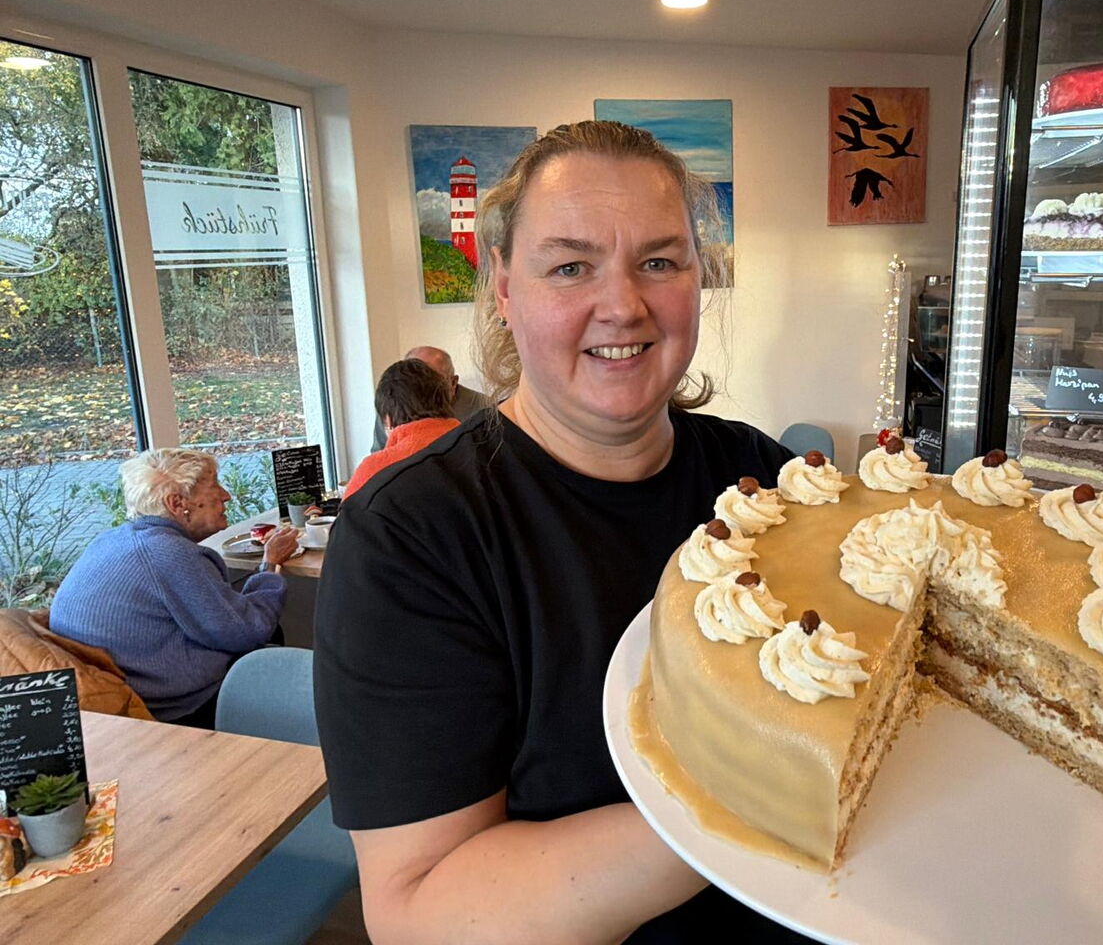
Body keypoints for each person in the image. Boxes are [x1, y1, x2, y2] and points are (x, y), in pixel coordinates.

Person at [314, 121, 808, 942]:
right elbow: (419, 913)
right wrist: (759, 800)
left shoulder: (758, 476)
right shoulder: (412, 535)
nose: (623, 304)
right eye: (571, 266)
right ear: (504, 290)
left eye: (659, 261)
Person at [51, 448, 300, 728]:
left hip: (120, 694)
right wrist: (270, 565)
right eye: (214, 485)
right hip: (172, 708)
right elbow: (246, 631)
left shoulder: (112, 540)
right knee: (271, 646)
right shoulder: (168, 553)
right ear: (177, 502)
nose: (226, 495)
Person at [343, 358, 460, 498]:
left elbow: (348, 518)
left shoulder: (374, 471)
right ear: (446, 400)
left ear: (388, 419)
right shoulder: (481, 447)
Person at [370, 345, 488, 451]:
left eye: (434, 381)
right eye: (412, 381)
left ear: (453, 382)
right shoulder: (392, 407)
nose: (423, 388)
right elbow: (380, 454)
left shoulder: (485, 408)